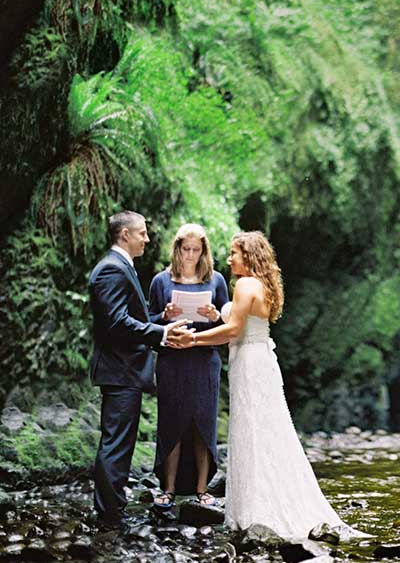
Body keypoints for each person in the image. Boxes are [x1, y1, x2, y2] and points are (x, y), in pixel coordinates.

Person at [170, 231, 371, 540]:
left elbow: (234, 329)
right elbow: (241, 321)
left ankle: (255, 510)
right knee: (268, 430)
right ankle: (272, 498)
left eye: (234, 253)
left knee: (251, 430)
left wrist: (192, 339)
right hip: (261, 359)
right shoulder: (264, 285)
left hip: (249, 364)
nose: (229, 258)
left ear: (248, 257)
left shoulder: (245, 284)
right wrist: (216, 314)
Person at [88, 210, 190, 529]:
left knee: (120, 442)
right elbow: (117, 322)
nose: (146, 239)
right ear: (124, 235)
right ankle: (109, 517)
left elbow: (132, 316)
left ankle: (112, 509)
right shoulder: (111, 270)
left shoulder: (119, 267)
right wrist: (161, 334)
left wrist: (161, 317)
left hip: (124, 370)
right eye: (142, 233)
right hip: (120, 371)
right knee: (116, 443)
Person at [148, 223, 229, 512]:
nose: (191, 256)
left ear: (204, 251)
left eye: (196, 250)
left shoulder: (216, 280)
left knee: (202, 424)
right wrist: (164, 314)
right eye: (186, 249)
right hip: (172, 361)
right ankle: (167, 489)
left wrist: (215, 313)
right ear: (177, 249)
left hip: (204, 361)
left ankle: (202, 489)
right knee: (172, 422)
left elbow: (228, 326)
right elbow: (148, 323)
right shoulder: (161, 281)